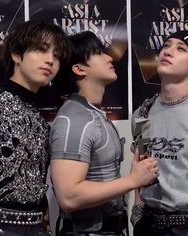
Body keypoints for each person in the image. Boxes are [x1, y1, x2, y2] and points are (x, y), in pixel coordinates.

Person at [49, 31, 159, 236]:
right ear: (79, 68)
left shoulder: (93, 113)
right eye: (99, 53)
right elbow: (68, 197)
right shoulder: (74, 119)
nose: (109, 57)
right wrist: (133, 180)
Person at [130, 30, 188, 236]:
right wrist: (137, 213)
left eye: (180, 48)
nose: (168, 51)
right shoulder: (142, 114)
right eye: (166, 45)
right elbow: (142, 169)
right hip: (150, 225)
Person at [0, 20, 70, 235]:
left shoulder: (40, 118)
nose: (50, 60)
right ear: (16, 55)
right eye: (41, 50)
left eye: (56, 55)